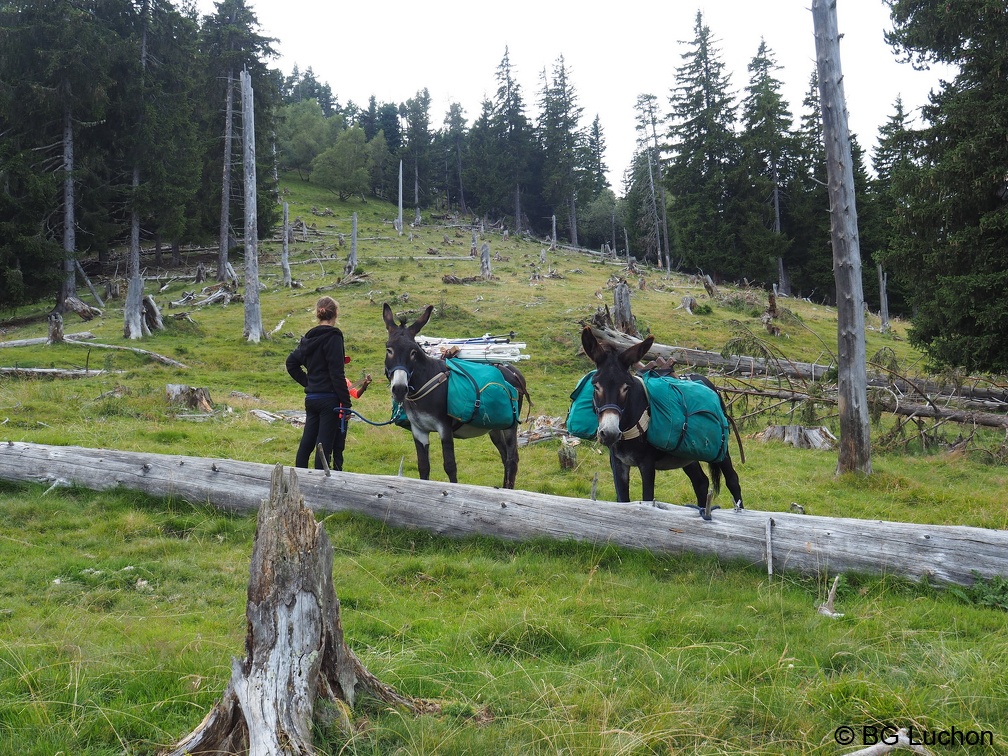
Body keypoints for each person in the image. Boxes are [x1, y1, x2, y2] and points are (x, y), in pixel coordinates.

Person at [286, 296, 354, 471]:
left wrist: (309, 382)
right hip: (328, 401)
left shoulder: (308, 338)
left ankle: (299, 478)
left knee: (307, 443)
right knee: (323, 446)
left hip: (312, 398)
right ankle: (320, 487)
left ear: (318, 313)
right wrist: (346, 403)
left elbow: (291, 363)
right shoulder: (334, 337)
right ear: (335, 313)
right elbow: (337, 373)